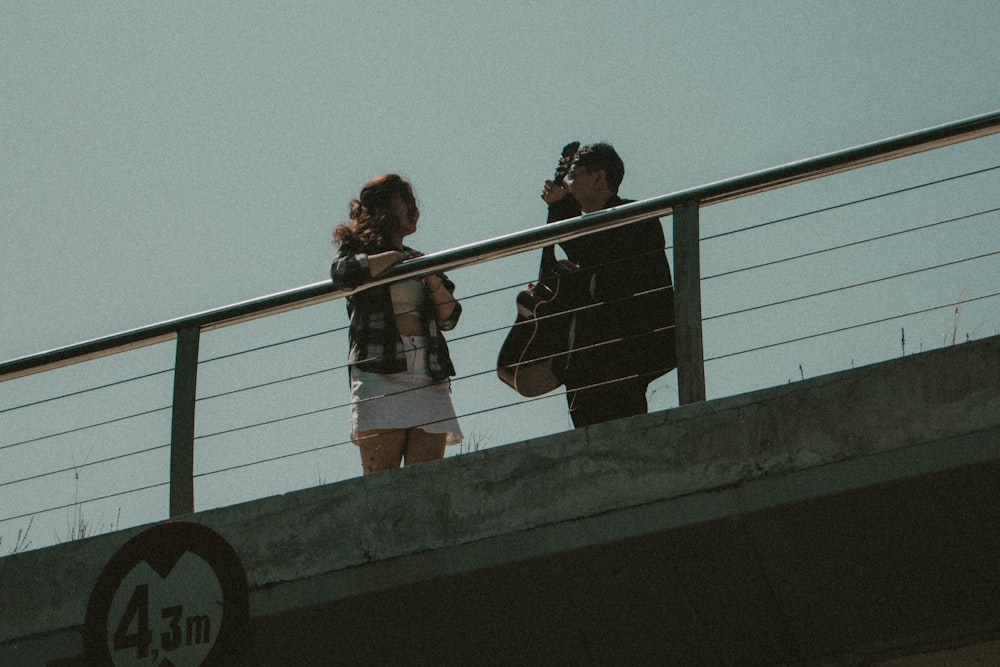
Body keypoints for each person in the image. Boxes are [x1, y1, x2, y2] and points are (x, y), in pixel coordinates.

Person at [331, 174, 463, 474]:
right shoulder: (357, 253)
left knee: (427, 484)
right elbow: (343, 273)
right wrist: (394, 258)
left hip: (428, 374)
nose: (413, 209)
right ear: (384, 208)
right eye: (406, 201)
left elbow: (450, 316)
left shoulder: (420, 259)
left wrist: (427, 275)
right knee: (381, 484)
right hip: (380, 371)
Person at [539, 142, 676, 428]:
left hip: (623, 352)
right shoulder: (585, 224)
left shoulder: (635, 216)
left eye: (573, 174)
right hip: (584, 358)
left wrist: (562, 208)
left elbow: (601, 254)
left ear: (599, 177)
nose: (567, 181)